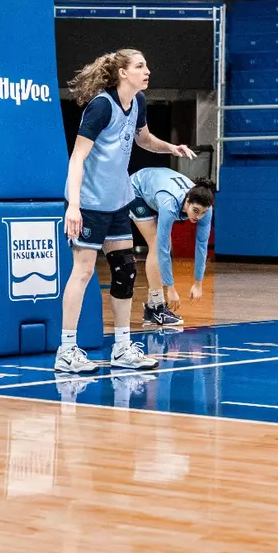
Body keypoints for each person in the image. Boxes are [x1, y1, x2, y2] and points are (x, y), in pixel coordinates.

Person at [57, 49, 195, 374]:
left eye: (146, 65)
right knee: (84, 271)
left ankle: (121, 347)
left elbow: (143, 138)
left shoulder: (139, 102)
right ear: (122, 73)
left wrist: (170, 148)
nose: (147, 71)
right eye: (139, 66)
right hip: (89, 203)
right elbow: (77, 158)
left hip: (118, 200)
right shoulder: (101, 106)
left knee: (125, 271)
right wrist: (73, 205)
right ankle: (66, 350)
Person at [127, 167, 215, 328]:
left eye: (203, 213)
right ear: (187, 201)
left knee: (163, 242)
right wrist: (170, 288)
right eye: (195, 211)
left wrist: (198, 283)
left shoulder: (205, 209)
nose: (198, 217)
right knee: (157, 243)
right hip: (136, 188)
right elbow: (162, 249)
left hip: (156, 188)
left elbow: (202, 246)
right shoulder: (169, 204)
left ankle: (153, 309)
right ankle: (156, 306)